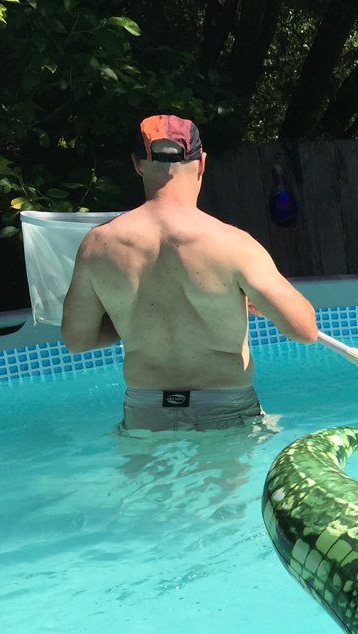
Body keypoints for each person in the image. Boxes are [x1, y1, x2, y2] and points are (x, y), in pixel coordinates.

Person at [60, 115, 320, 432]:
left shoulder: (98, 246)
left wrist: (127, 315)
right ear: (202, 163)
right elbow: (304, 330)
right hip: (226, 407)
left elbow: (78, 341)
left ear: (137, 164)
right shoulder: (233, 244)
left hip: (145, 411)